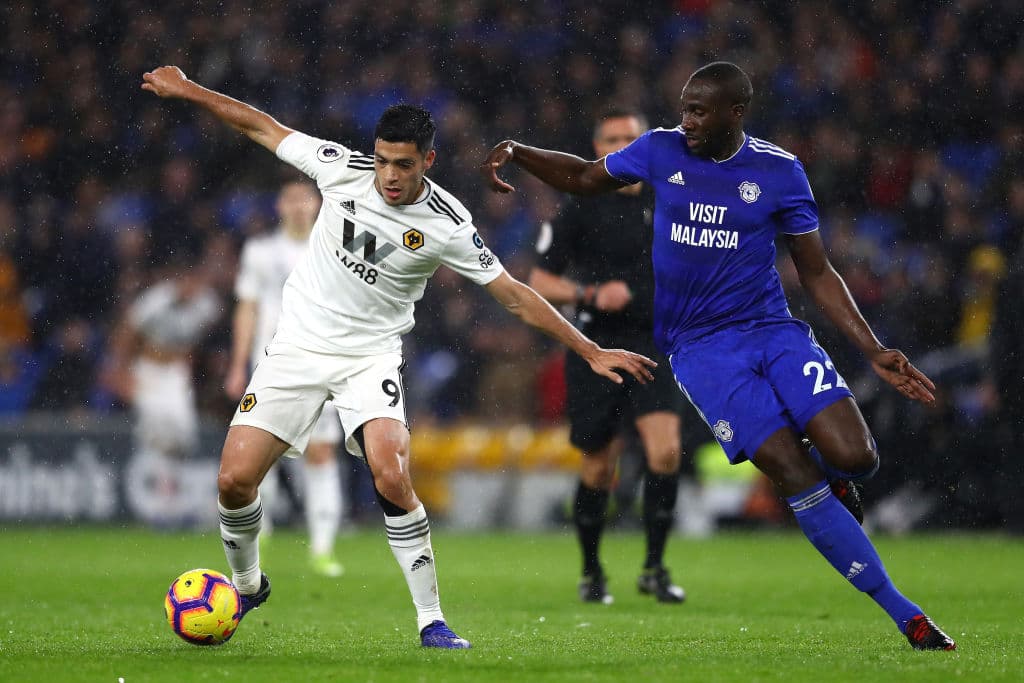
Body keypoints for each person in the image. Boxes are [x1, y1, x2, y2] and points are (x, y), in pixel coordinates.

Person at [141, 65, 656, 649]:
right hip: (298, 347)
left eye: (403, 164)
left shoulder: (448, 223)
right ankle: (248, 583)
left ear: (427, 161)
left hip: (370, 357)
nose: (388, 175)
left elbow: (513, 294)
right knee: (234, 482)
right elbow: (261, 127)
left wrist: (588, 350)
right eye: (382, 160)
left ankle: (431, 619)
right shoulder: (341, 169)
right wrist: (188, 89)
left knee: (391, 471)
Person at [481, 62, 956, 651]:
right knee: (790, 469)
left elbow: (817, 271)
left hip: (774, 331)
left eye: (700, 112)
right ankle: (906, 615)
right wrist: (520, 150)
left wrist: (874, 348)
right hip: (700, 350)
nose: (687, 122)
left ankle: (835, 483)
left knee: (857, 459)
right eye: (684, 108)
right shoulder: (659, 150)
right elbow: (582, 176)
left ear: (736, 113)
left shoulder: (779, 171)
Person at [528, 107, 686, 605]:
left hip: (656, 342)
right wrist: (592, 295)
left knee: (664, 451)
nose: (621, 145)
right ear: (597, 149)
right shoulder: (578, 207)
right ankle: (592, 570)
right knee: (598, 466)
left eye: (630, 138)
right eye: (611, 137)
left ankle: (655, 568)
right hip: (598, 347)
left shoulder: (672, 202)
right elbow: (538, 281)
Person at [225, 180, 345, 578]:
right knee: (261, 455)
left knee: (321, 452)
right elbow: (247, 308)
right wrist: (237, 364)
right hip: (271, 361)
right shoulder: (260, 252)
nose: (298, 206)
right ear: (280, 204)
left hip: (321, 360)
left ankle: (323, 549)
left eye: (304, 199)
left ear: (316, 204)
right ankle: (262, 532)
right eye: (291, 199)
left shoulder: (334, 246)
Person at [102, 262, 221, 527]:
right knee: (156, 435)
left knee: (182, 434)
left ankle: (171, 501)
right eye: (185, 281)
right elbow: (127, 331)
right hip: (148, 370)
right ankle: (160, 506)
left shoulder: (206, 304)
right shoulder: (156, 300)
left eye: (195, 281)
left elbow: (204, 339)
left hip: (175, 374)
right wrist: (121, 371)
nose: (190, 288)